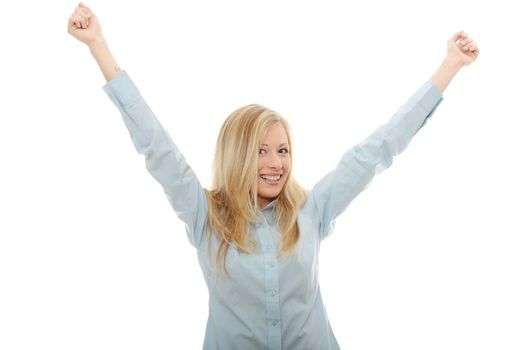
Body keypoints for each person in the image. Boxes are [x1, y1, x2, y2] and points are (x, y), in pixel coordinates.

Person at [68, 3, 479, 349]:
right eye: (260, 151)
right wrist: (99, 47)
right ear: (238, 155)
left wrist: (451, 65)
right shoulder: (204, 215)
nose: (275, 163)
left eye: (282, 150)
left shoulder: (312, 209)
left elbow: (380, 148)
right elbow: (154, 145)